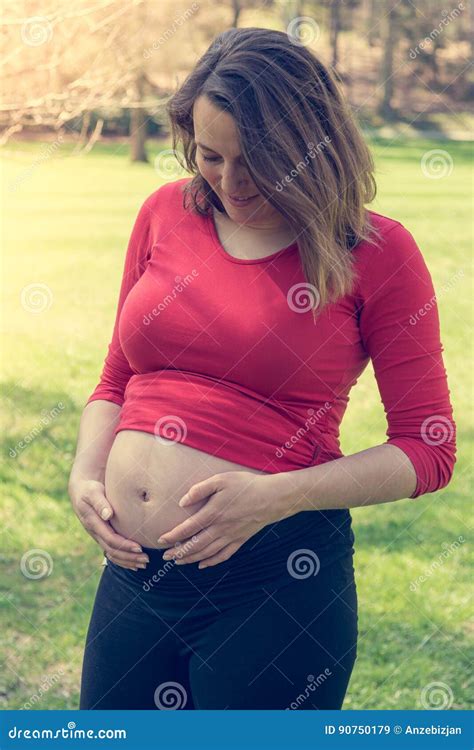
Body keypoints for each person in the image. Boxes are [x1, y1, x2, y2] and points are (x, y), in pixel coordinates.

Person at [69, 27, 456, 710]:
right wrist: (86, 474)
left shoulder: (377, 252)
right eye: (210, 156)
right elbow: (115, 380)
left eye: (258, 162)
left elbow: (428, 449)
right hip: (134, 581)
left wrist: (277, 495)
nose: (231, 183)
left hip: (273, 585)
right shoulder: (164, 212)